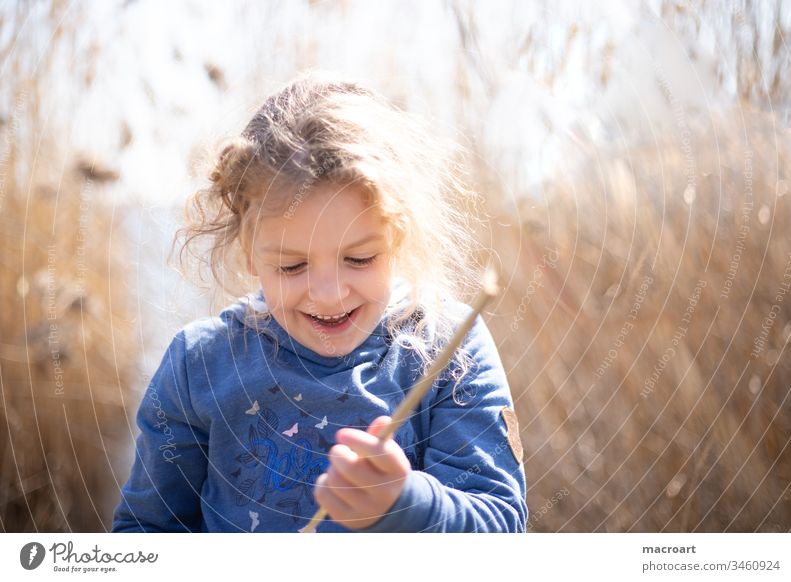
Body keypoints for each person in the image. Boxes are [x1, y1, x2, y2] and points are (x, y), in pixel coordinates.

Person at [112, 75, 527, 533]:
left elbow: (500, 526)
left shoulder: (448, 349)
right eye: (292, 266)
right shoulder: (201, 366)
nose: (329, 294)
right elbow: (147, 531)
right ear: (250, 252)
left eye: (360, 258)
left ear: (400, 237)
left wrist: (403, 505)